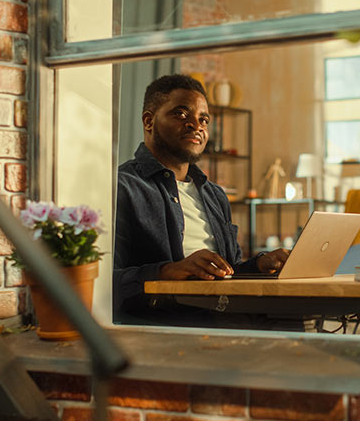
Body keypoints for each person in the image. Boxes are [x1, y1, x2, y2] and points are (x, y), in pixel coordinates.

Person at [113, 74, 290, 328]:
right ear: (149, 121)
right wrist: (168, 271)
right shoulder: (122, 186)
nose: (196, 125)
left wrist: (260, 264)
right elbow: (105, 282)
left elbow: (229, 272)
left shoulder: (214, 195)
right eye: (181, 114)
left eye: (203, 119)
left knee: (304, 324)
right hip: (170, 324)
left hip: (228, 315)